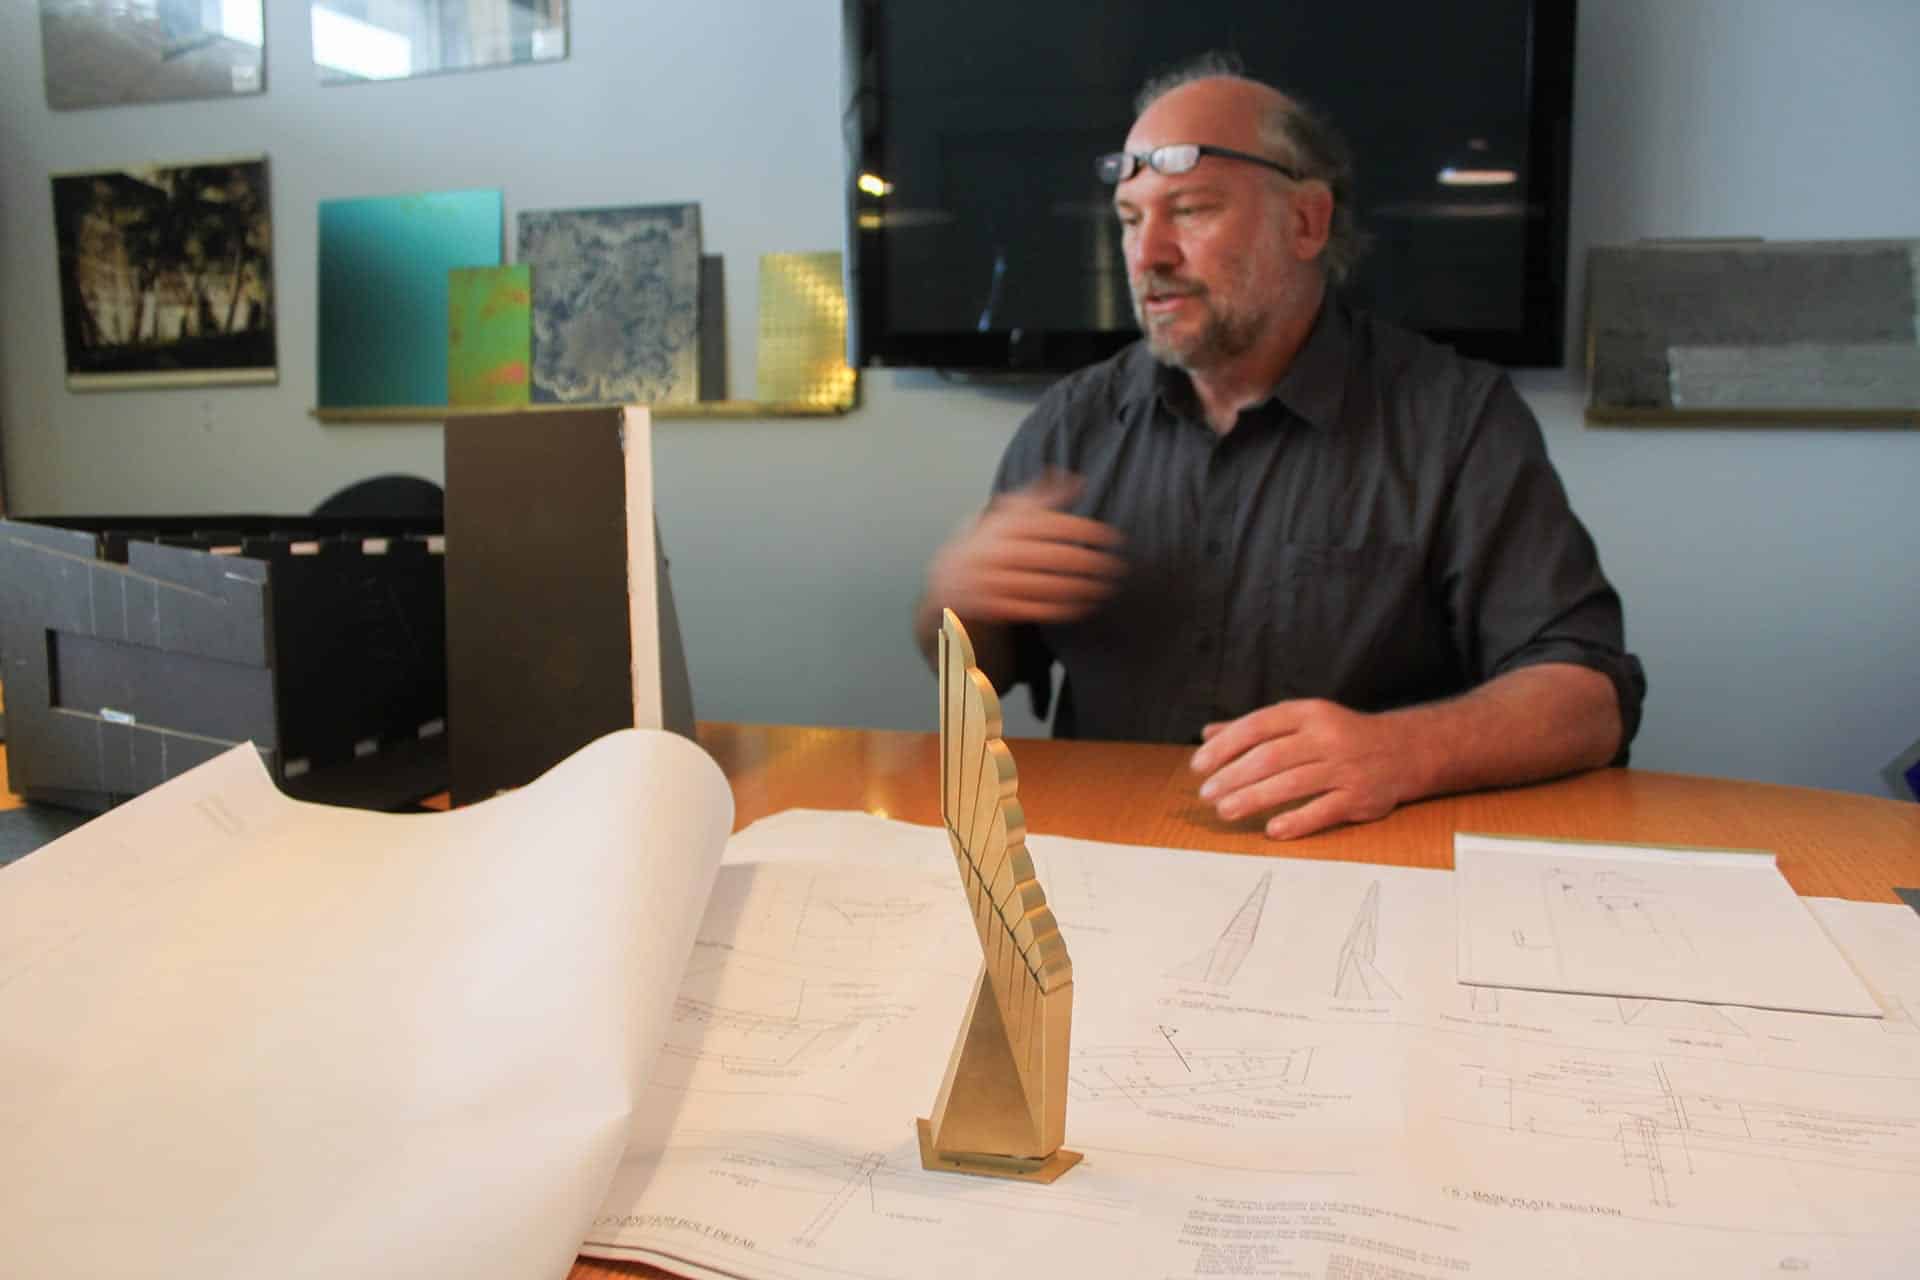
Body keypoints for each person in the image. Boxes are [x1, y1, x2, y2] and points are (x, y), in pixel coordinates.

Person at [912, 55, 1646, 841]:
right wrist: (950, 603)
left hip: (1368, 866)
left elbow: (1590, 697)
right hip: (1114, 865)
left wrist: (1404, 749)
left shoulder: (1455, 419)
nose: (1147, 254)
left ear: (1306, 223)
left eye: (1189, 210)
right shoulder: (1072, 423)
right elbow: (982, 677)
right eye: (1130, 219)